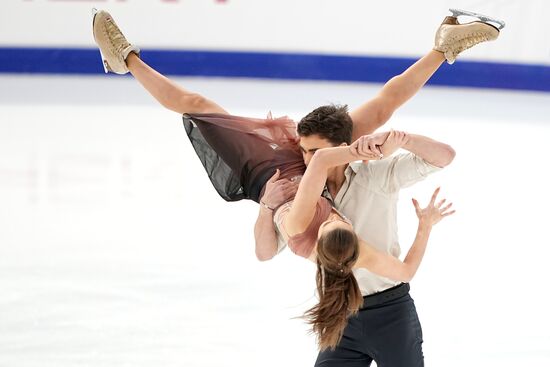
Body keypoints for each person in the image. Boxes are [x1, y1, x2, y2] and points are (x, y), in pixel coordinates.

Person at [91, 8, 500, 366]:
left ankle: (127, 61)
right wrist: (378, 152)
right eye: (341, 224)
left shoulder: (303, 227)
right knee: (381, 107)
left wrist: (273, 203)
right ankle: (443, 48)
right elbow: (319, 160)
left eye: (332, 227)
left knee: (200, 108)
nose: (336, 221)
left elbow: (290, 211)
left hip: (272, 175)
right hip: (319, 183)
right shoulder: (348, 225)